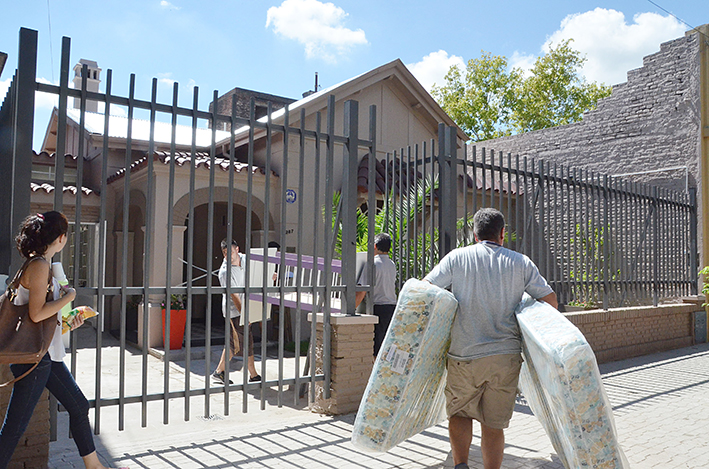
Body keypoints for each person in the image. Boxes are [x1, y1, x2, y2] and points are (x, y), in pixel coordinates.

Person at [424, 208, 557, 469]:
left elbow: (426, 291)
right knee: (493, 424)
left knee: (460, 413)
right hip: (504, 357)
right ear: (502, 234)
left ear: (474, 234)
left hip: (464, 355)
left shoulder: (456, 258)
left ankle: (461, 465)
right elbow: (550, 301)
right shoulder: (521, 262)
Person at [0, 211, 127, 469]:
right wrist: (70, 297)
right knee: (14, 428)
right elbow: (36, 314)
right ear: (61, 237)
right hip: (35, 361)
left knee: (78, 406)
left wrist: (69, 321)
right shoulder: (39, 266)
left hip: (46, 355)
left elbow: (44, 317)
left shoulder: (43, 264)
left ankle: (94, 466)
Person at [212, 239, 261, 385]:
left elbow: (259, 272)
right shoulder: (225, 272)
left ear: (237, 249)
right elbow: (234, 295)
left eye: (231, 252)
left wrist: (270, 277)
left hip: (247, 306)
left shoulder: (246, 259)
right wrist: (244, 315)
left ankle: (252, 375)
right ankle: (219, 372)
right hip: (234, 311)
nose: (228, 256)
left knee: (244, 341)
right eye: (225, 253)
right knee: (236, 344)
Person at [355, 233, 397, 356]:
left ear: (375, 246)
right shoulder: (392, 264)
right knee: (386, 345)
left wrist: (350, 309)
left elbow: (362, 290)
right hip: (391, 307)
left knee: (376, 348)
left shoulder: (372, 264)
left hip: (378, 307)